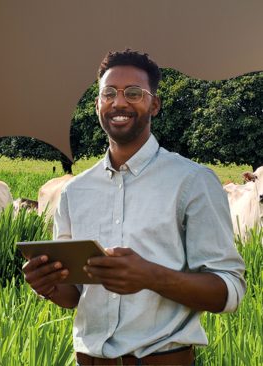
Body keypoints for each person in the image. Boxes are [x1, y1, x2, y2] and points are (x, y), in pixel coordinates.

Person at [23, 49, 246, 365]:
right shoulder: (75, 191)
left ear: (154, 104)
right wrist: (47, 285)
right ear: (98, 104)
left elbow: (229, 291)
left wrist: (151, 276)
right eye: (109, 93)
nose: (119, 102)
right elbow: (74, 295)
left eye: (133, 93)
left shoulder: (193, 182)